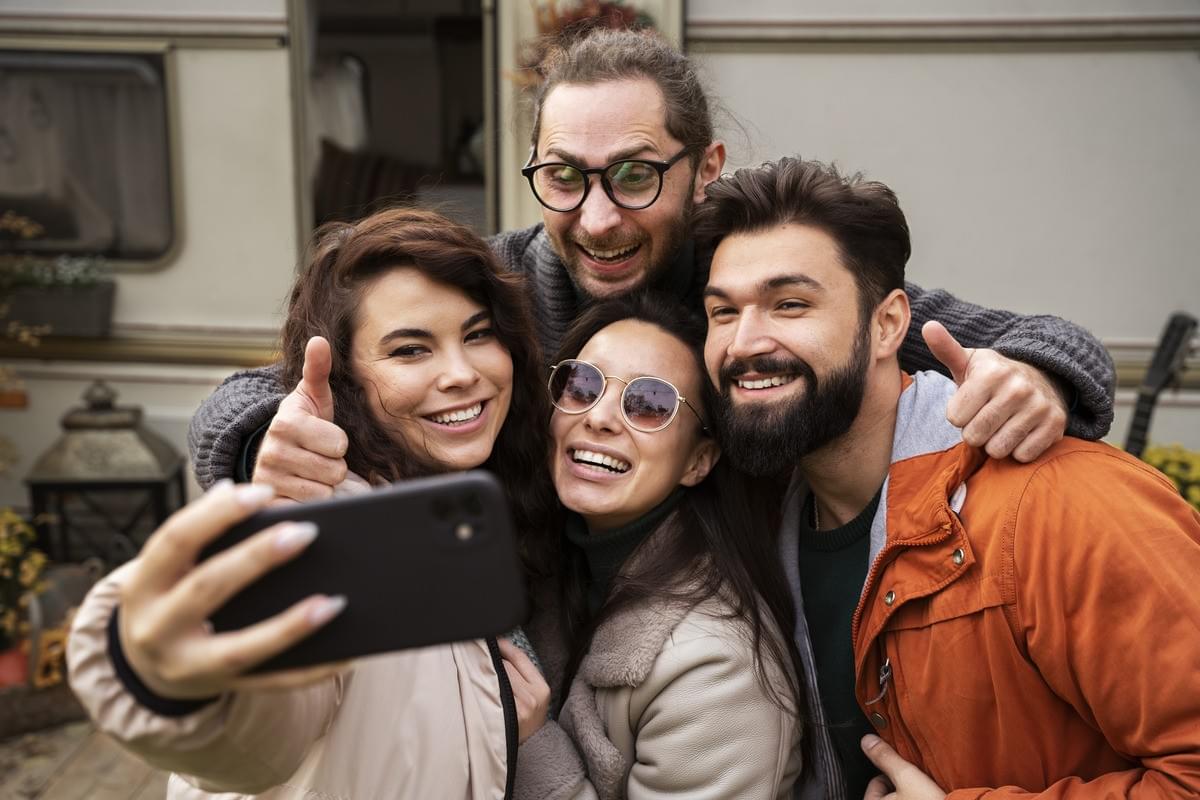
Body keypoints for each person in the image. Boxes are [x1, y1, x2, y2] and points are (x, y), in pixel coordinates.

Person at [187, 28, 1115, 501]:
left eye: (634, 176)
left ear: (705, 168)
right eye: (563, 177)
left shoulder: (756, 286)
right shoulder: (493, 290)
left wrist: (1033, 375)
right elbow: (242, 401)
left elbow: (1044, 342)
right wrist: (269, 439)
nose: (596, 219)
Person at [694, 157, 1200, 800]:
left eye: (790, 304)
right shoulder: (759, 532)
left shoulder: (1064, 506)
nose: (745, 342)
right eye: (721, 313)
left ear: (888, 325)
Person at [66, 208, 559, 799]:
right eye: (409, 350)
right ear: (343, 376)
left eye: (478, 335)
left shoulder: (463, 503)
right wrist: (169, 680)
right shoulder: (331, 535)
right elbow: (256, 738)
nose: (461, 373)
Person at [507, 292, 804, 798]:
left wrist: (534, 745)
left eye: (649, 403)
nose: (599, 417)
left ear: (699, 461)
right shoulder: (550, 571)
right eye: (582, 385)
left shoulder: (716, 668)